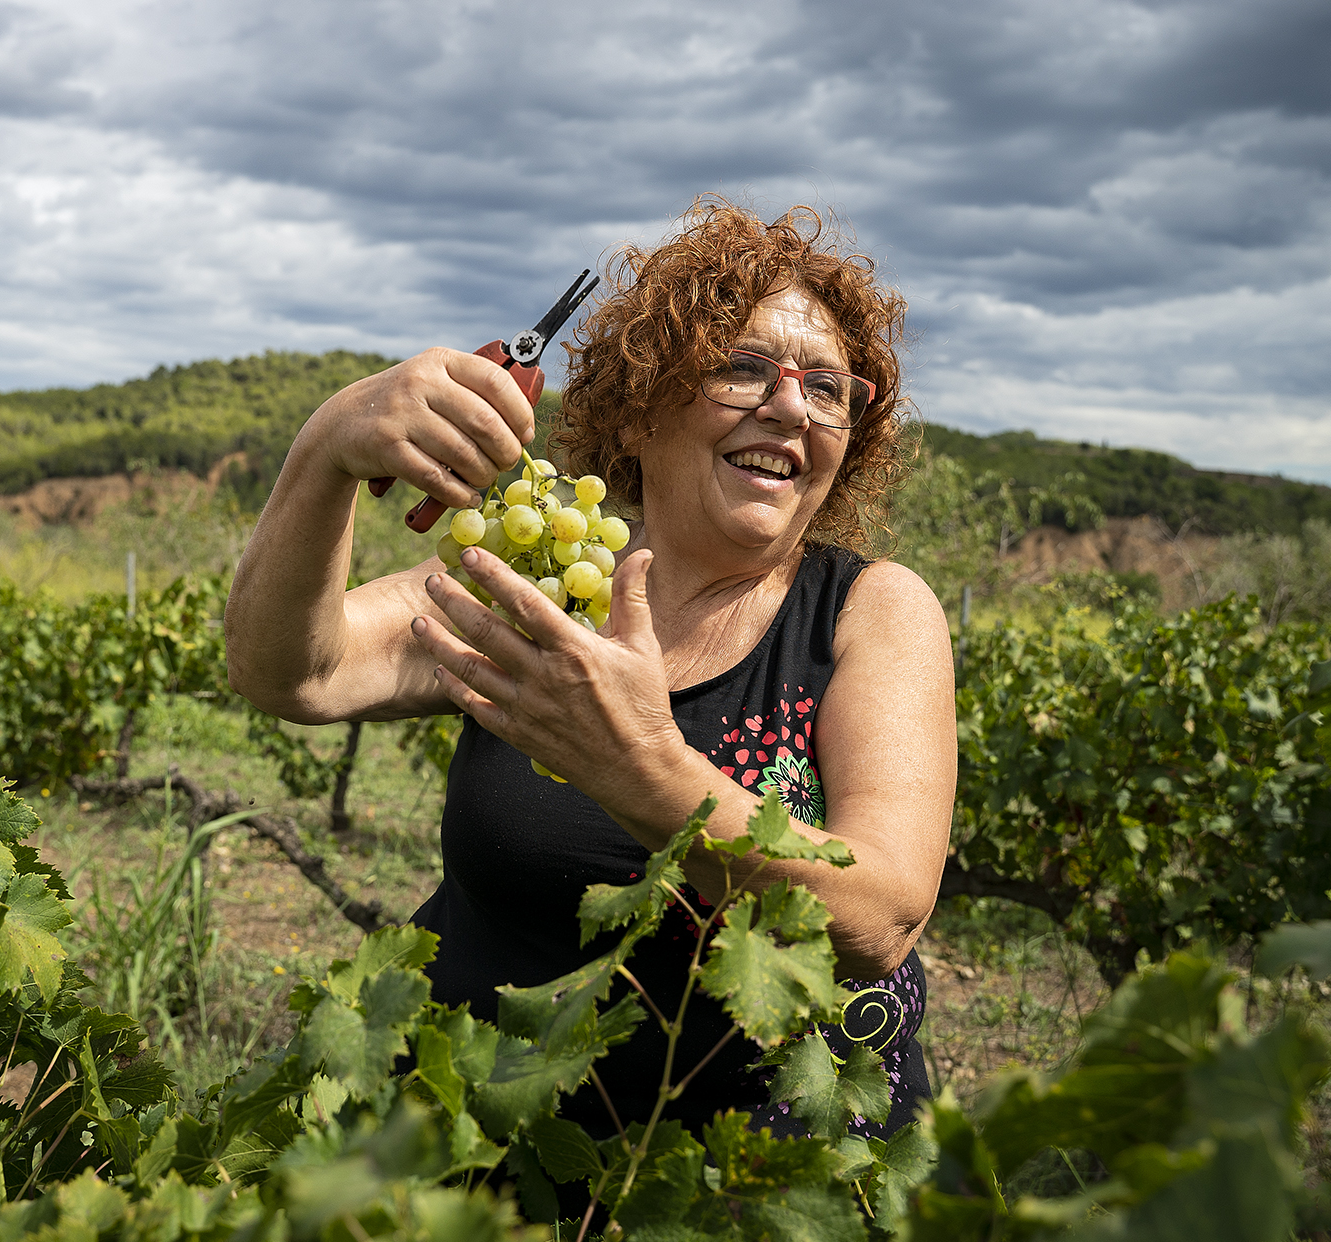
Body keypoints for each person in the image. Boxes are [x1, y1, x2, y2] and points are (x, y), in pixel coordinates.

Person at [225, 200, 955, 1144]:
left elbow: (881, 916)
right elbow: (290, 671)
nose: (790, 404)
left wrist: (643, 769)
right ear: (640, 404)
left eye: (828, 387)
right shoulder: (538, 581)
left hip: (745, 1188)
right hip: (493, 1159)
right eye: (742, 368)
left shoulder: (872, 611)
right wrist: (326, 449)